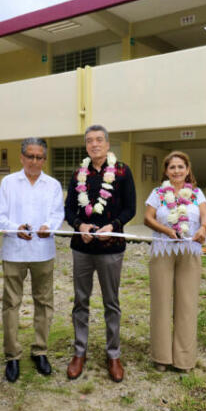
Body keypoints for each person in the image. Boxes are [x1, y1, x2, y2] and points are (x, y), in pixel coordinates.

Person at [64, 124, 136, 382]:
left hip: (111, 248)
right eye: (90, 141)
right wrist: (79, 225)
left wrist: (113, 226)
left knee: (111, 303)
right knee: (80, 301)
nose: (94, 144)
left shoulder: (122, 171)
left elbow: (130, 208)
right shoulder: (77, 174)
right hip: (82, 248)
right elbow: (69, 209)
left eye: (99, 140)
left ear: (107, 144)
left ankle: (113, 354)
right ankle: (79, 352)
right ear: (86, 146)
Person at [0, 137, 64, 382]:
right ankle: (12, 355)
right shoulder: (9, 183)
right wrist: (15, 227)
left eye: (39, 157)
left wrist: (49, 226)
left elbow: (57, 214)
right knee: (11, 302)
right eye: (30, 156)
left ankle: (40, 351)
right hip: (14, 250)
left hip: (43, 251)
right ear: (21, 157)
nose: (35, 161)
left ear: (44, 159)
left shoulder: (52, 185)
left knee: (44, 301)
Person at [143, 151, 206, 372]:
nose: (177, 171)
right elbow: (148, 218)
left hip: (189, 250)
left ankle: (184, 359)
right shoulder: (158, 193)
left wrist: (203, 228)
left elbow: (205, 215)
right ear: (166, 171)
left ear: (188, 169)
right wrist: (165, 230)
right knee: (161, 302)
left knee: (187, 304)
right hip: (163, 249)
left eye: (181, 167)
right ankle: (161, 357)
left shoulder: (196, 193)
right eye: (172, 167)